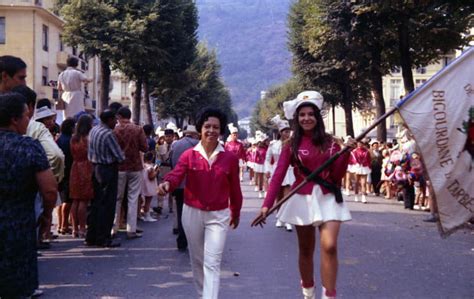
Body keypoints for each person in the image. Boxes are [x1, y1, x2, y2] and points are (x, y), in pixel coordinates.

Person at [258, 91, 355, 299]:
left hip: (329, 197)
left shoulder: (331, 142)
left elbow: (337, 175)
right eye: (302, 115)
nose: (306, 118)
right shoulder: (290, 145)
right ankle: (308, 292)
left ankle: (329, 295)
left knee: (329, 246)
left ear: (317, 117)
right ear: (296, 118)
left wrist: (345, 153)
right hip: (302, 197)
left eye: (311, 114)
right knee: (305, 249)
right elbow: (278, 176)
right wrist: (266, 205)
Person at [158, 108, 243, 299]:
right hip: (191, 213)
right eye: (207, 126)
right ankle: (202, 294)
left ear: (221, 131)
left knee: (212, 262)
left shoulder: (229, 158)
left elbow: (235, 189)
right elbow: (177, 173)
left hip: (218, 215)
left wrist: (235, 212)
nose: (211, 130)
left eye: (216, 127)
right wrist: (166, 184)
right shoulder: (189, 155)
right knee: (197, 260)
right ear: (200, 129)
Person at [0, 93, 57, 298]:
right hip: (19, 227)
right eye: (26, 116)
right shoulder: (29, 146)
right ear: (14, 119)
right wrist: (47, 215)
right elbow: (49, 190)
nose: (28, 120)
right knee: (17, 286)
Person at [86, 110, 125, 248]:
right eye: (114, 120)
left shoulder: (94, 130)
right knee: (107, 205)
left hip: (96, 167)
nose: (116, 122)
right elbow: (119, 156)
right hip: (107, 169)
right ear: (108, 120)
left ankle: (91, 236)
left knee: (96, 203)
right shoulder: (108, 134)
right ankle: (104, 237)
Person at [112, 107, 147, 239]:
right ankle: (131, 229)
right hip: (135, 166)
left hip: (119, 167)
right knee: (133, 198)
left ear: (119, 116)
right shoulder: (138, 129)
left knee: (117, 198)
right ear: (130, 116)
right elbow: (144, 147)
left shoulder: (114, 130)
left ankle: (113, 228)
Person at [169, 124, 200, 251]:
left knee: (182, 212)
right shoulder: (198, 144)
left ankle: (181, 240)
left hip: (179, 183)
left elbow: (171, 162)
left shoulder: (175, 144)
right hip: (194, 185)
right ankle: (194, 240)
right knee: (196, 214)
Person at [265, 115, 295, 232]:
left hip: (289, 171)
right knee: (279, 197)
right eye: (285, 132)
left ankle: (287, 220)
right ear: (281, 133)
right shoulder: (273, 145)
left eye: (289, 131)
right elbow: (268, 159)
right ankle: (279, 218)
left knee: (288, 196)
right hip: (276, 171)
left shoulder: (292, 144)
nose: (287, 134)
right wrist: (267, 170)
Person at [70, 114, 94, 238]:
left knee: (75, 199)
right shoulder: (88, 138)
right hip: (86, 167)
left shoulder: (73, 138)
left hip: (75, 167)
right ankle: (82, 228)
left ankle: (74, 228)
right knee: (83, 200)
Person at [56, 117, 76, 235]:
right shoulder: (70, 141)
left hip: (60, 171)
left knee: (61, 200)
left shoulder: (59, 139)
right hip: (68, 171)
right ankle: (64, 225)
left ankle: (60, 224)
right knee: (67, 201)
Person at [140, 152, 159, 222]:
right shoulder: (150, 167)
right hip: (149, 185)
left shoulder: (143, 166)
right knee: (148, 201)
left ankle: (141, 213)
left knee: (142, 200)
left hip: (143, 184)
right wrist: (156, 172)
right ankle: (147, 215)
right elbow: (151, 177)